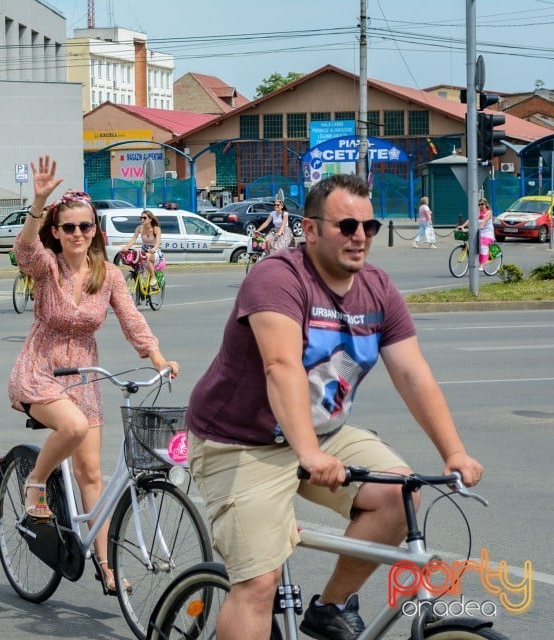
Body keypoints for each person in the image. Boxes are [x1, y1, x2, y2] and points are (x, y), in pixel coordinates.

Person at [185, 173, 483, 640]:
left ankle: (330, 606)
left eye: (370, 227)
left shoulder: (378, 289)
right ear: (310, 229)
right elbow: (281, 366)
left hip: (324, 434)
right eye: (347, 226)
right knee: (258, 584)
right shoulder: (277, 278)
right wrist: (307, 454)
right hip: (240, 443)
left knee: (398, 495)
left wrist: (454, 452)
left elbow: (412, 373)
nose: (360, 237)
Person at [7, 156, 179, 594]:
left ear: (95, 231)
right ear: (57, 232)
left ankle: (105, 567)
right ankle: (35, 483)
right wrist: (38, 203)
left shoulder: (109, 275)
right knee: (74, 427)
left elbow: (132, 319)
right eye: (69, 228)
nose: (78, 234)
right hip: (41, 368)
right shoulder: (47, 268)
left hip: (86, 375)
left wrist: (158, 358)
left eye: (85, 227)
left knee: (91, 475)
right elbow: (23, 251)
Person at [123, 209, 165, 290]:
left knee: (147, 258)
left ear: (150, 219)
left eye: (144, 218)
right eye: (141, 218)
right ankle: (141, 281)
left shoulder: (156, 229)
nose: (142, 220)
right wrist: (126, 247)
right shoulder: (139, 228)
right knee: (136, 259)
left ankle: (153, 278)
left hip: (155, 252)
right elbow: (133, 239)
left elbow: (158, 242)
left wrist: (154, 249)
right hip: (144, 250)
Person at [458, 199, 494, 271]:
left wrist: (481, 226)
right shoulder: (478, 212)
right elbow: (470, 219)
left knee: (483, 246)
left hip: (487, 233)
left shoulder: (488, 212)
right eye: (479, 204)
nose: (480, 206)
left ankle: (481, 265)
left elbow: (485, 220)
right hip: (478, 231)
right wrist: (463, 226)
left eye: (482, 204)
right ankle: (477, 261)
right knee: (474, 245)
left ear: (486, 204)